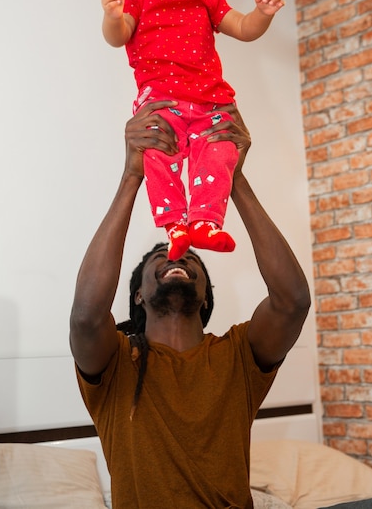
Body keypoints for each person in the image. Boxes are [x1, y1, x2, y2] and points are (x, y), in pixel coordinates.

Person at [70, 102, 311, 509]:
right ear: (138, 296)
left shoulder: (236, 356)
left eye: (190, 258)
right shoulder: (116, 363)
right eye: (159, 258)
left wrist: (234, 179)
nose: (177, 256)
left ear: (206, 298)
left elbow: (293, 301)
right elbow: (86, 315)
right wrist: (132, 175)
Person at [101, 0, 285, 260]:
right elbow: (118, 35)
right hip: (162, 104)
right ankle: (175, 227)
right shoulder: (137, 2)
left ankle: (205, 222)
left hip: (211, 103)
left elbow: (245, 29)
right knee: (158, 154)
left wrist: (262, 14)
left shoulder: (207, 0)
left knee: (221, 152)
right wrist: (112, 14)